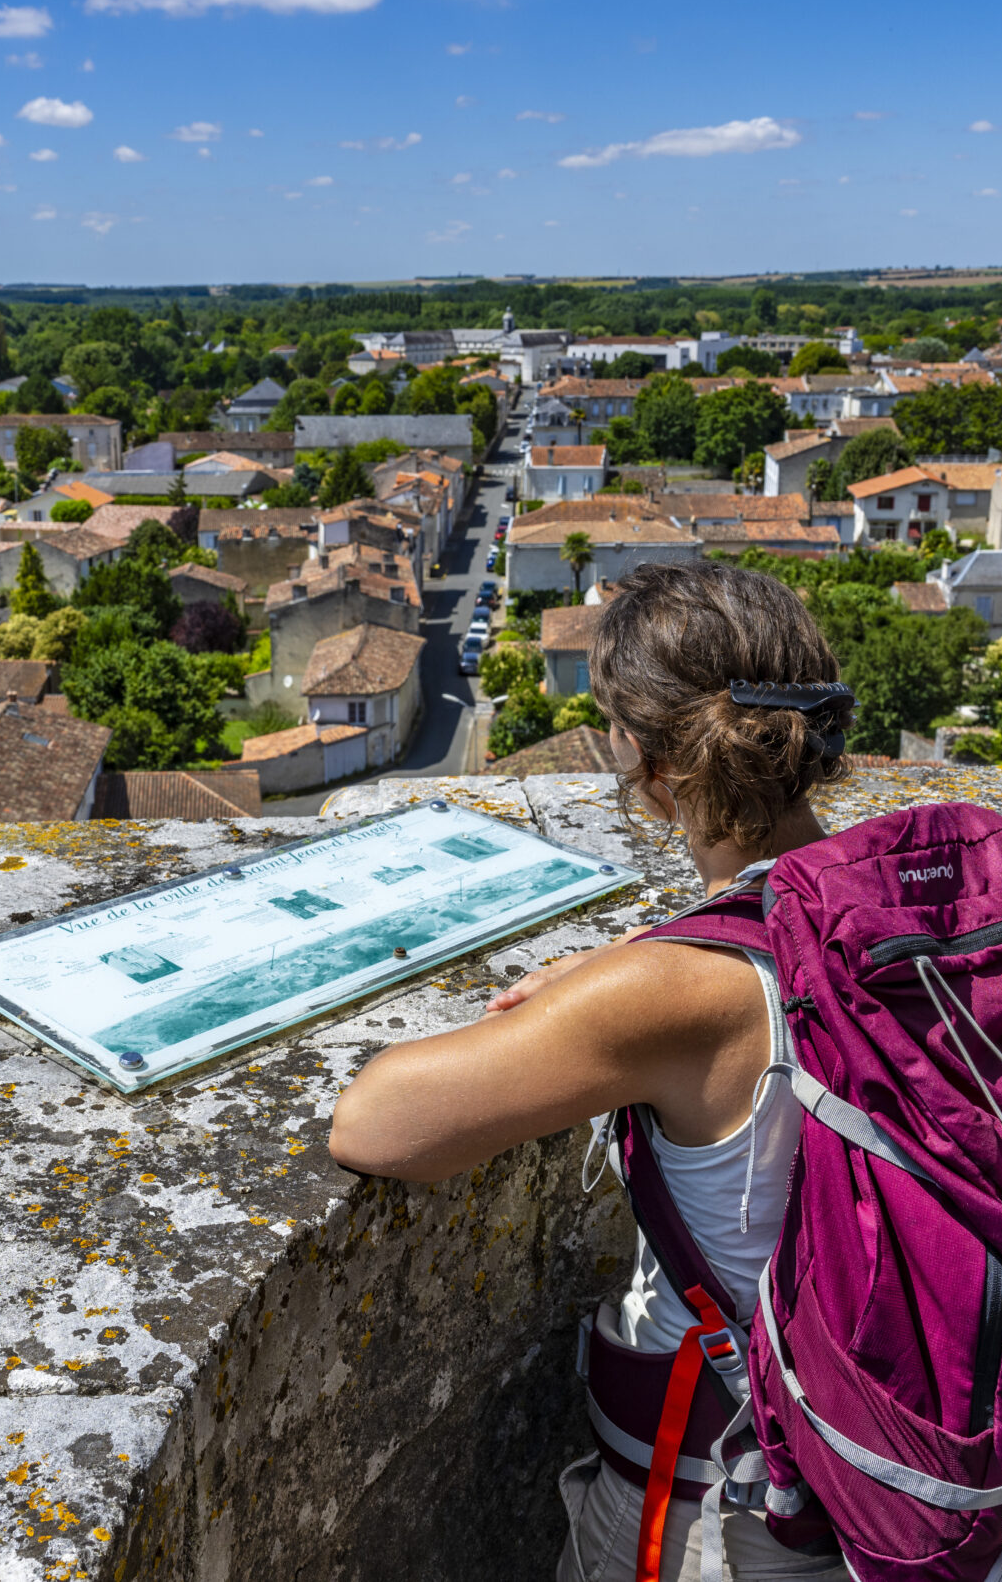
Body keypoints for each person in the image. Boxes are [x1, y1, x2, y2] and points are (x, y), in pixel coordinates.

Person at [329, 560, 852, 1582]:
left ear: (650, 768)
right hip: (941, 1464)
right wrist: (639, 967)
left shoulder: (675, 992)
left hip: (737, 1509)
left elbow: (377, 1124)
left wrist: (619, 991)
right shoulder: (914, 901)